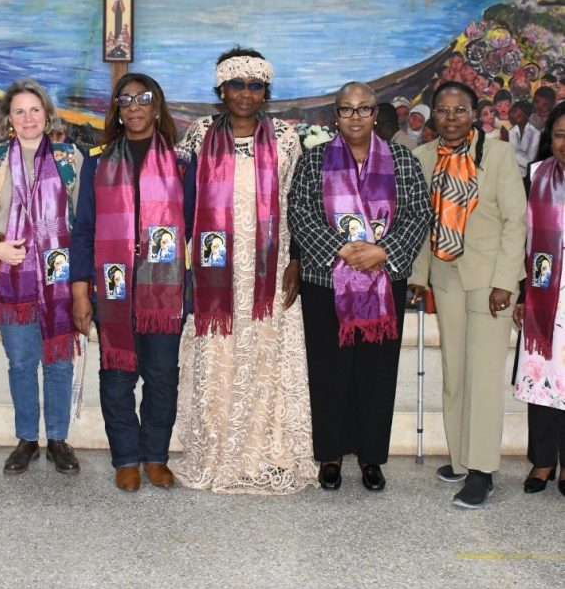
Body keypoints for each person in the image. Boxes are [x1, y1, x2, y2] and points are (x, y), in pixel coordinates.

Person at [173, 47, 317, 495]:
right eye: (237, 84)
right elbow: (177, 201)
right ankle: (217, 449)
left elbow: (298, 203)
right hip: (215, 270)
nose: (246, 94)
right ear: (221, 89)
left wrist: (298, 259)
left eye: (256, 86)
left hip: (269, 268)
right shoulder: (198, 136)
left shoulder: (287, 139)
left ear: (266, 92)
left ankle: (262, 451)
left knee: (266, 353)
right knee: (217, 352)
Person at [289, 81, 431, 492]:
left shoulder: (401, 159)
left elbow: (419, 213)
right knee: (329, 372)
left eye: (364, 108)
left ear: (375, 114)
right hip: (325, 283)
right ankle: (330, 456)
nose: (355, 116)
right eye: (347, 109)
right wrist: (344, 251)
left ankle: (371, 457)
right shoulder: (314, 160)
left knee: (376, 373)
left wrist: (382, 252)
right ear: (336, 115)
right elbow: (299, 212)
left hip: (384, 281)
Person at [71, 73, 196, 491]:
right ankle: (125, 456)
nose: (135, 107)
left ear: (156, 106)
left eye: (143, 99)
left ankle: (156, 456)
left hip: (164, 288)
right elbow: (84, 229)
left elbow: (194, 227)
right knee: (118, 373)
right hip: (114, 285)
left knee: (162, 374)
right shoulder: (97, 161)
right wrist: (80, 290)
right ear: (118, 110)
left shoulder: (181, 163)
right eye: (126, 101)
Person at [409, 81, 527, 508]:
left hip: (489, 280)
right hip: (446, 275)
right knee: (455, 372)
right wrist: (417, 278)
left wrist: (506, 282)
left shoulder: (495, 155)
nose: (452, 117)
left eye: (460, 110)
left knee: (481, 375)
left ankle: (482, 471)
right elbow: (421, 225)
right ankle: (460, 458)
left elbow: (516, 222)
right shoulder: (424, 158)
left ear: (475, 114)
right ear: (433, 116)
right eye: (443, 110)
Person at [0, 79, 83, 475]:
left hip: (59, 273)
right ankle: (27, 439)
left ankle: (59, 440)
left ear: (47, 115)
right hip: (10, 273)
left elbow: (83, 218)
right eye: (19, 111)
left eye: (35, 110)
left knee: (59, 360)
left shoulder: (70, 158)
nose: (28, 118)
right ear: (8, 119)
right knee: (20, 360)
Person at [513, 102, 565, 497]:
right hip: (546, 294)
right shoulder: (536, 176)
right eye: (560, 134)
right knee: (543, 378)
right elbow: (522, 240)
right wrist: (519, 292)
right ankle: (543, 461)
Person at [508, 100, 540, 178]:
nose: (512, 115)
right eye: (512, 112)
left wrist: (510, 150)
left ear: (525, 114)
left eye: (515, 112)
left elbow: (529, 161)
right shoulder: (511, 131)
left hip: (527, 177)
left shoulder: (535, 133)